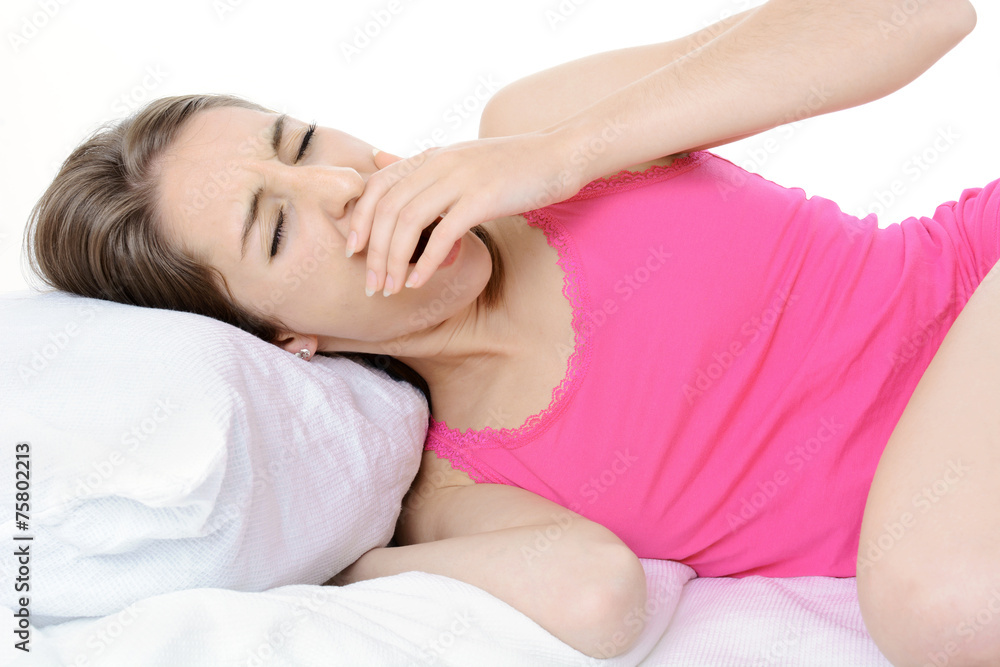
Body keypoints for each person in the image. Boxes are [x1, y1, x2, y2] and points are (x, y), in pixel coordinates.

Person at [21, 0, 992, 663]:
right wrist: (330, 558)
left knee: (929, 604)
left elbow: (916, 14)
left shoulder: (536, 130)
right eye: (276, 227)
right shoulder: (453, 484)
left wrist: (561, 153)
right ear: (280, 339)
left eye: (302, 142)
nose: (341, 183)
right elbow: (597, 599)